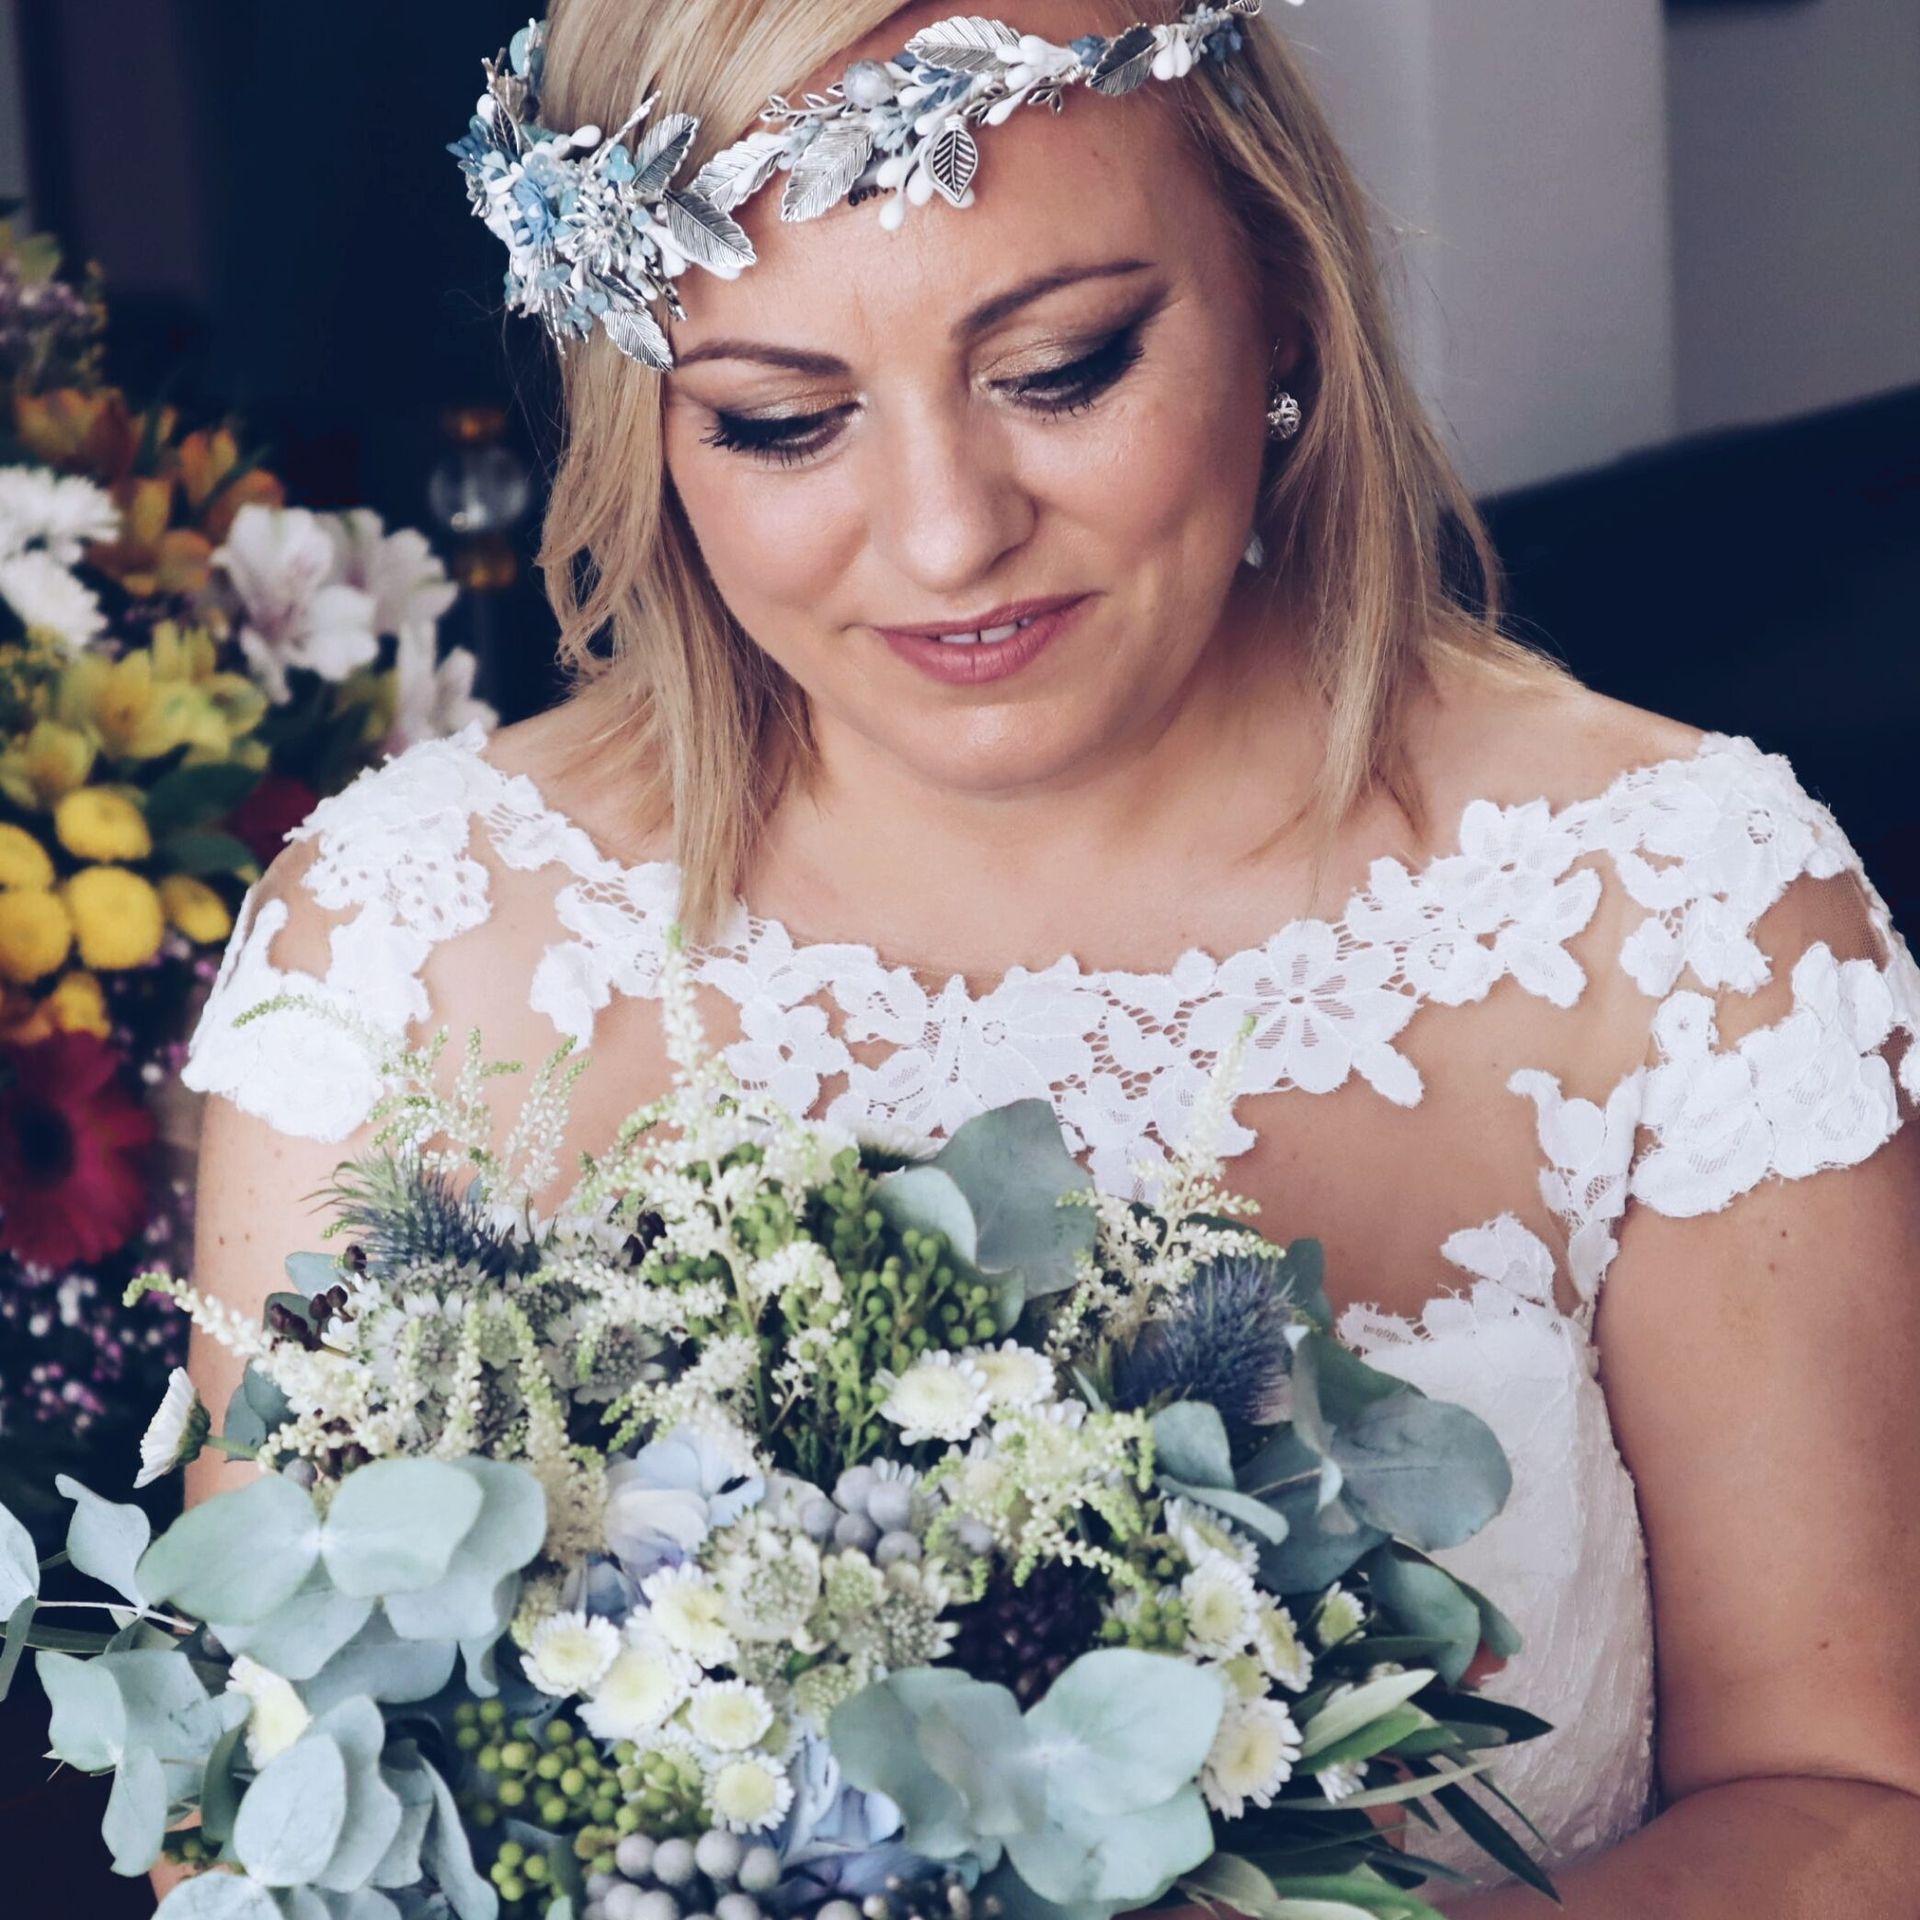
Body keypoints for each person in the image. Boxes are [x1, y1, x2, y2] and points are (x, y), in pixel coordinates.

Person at [167, 0, 1920, 1912]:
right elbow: (249, 1829)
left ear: (1282, 298)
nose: (948, 539)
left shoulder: (1676, 914)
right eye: (782, 420)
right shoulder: (406, 938)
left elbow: (1849, 1801)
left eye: (1062, 371)